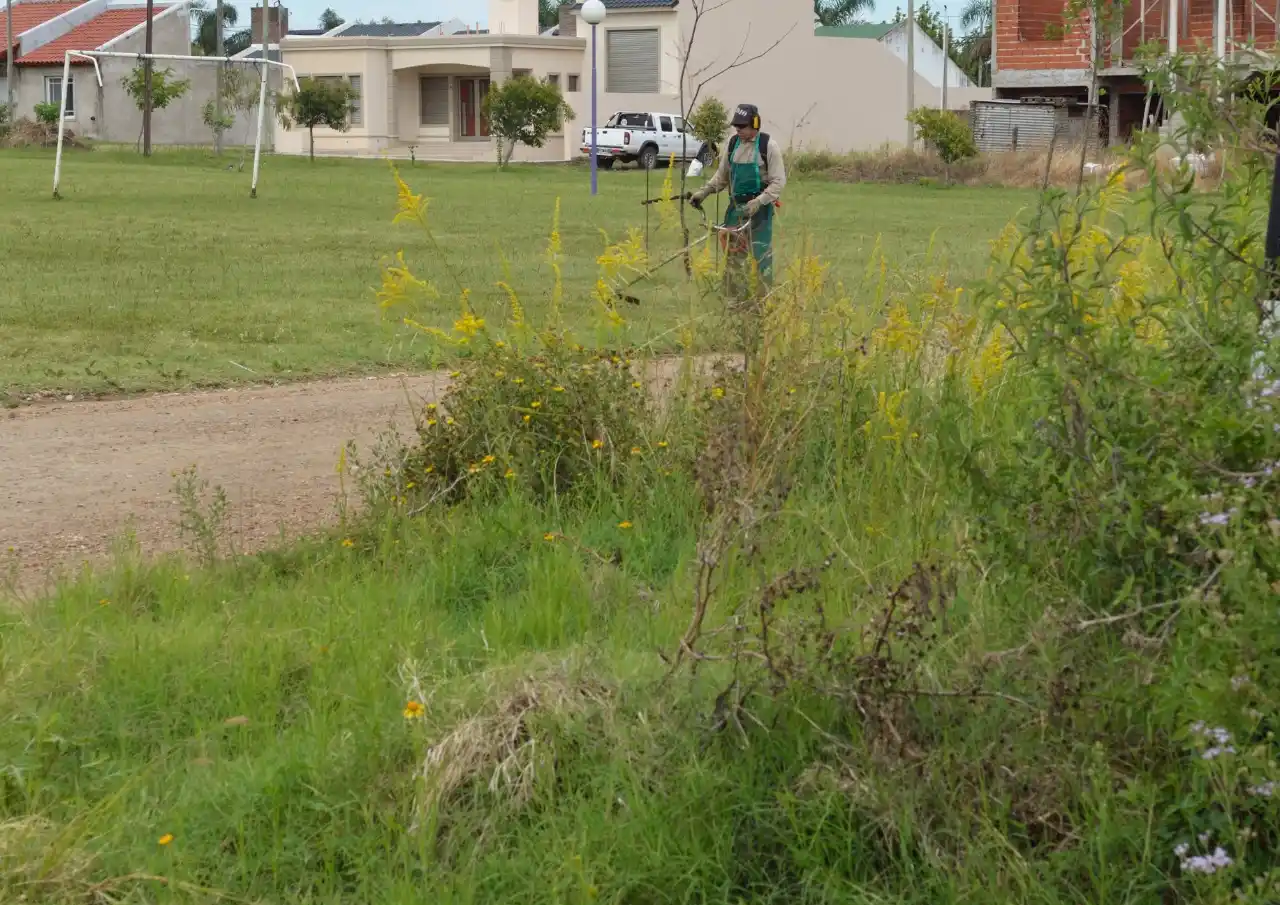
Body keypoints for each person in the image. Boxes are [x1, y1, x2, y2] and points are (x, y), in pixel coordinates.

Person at [688, 103, 787, 302]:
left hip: (760, 212)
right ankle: (734, 301)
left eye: (742, 126)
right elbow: (722, 177)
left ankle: (763, 300)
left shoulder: (768, 146)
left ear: (755, 124)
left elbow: (778, 182)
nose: (738, 130)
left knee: (761, 256)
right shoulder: (732, 145)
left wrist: (758, 202)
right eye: (736, 126)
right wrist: (704, 191)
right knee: (733, 257)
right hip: (735, 209)